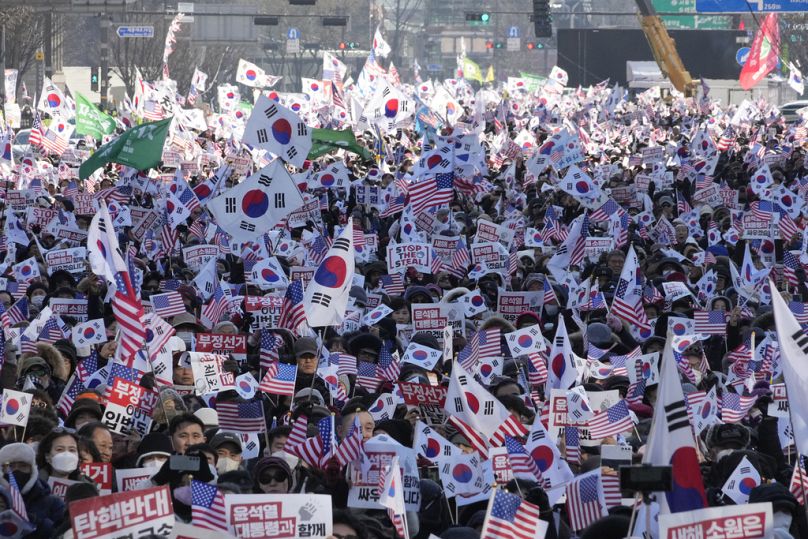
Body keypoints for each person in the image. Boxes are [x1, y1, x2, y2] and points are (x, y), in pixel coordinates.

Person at [0, 443, 65, 538]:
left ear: (32, 470)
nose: (16, 471)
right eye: (10, 466)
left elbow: (61, 534)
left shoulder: (54, 503)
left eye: (23, 466)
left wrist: (38, 522)